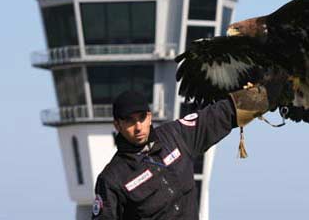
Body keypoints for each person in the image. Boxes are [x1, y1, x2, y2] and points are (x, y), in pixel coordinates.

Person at [92, 78, 287, 220]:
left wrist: (267, 94)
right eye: (129, 121)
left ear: (150, 117)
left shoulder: (175, 136)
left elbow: (219, 115)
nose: (138, 127)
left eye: (142, 118)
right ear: (117, 125)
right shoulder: (111, 180)